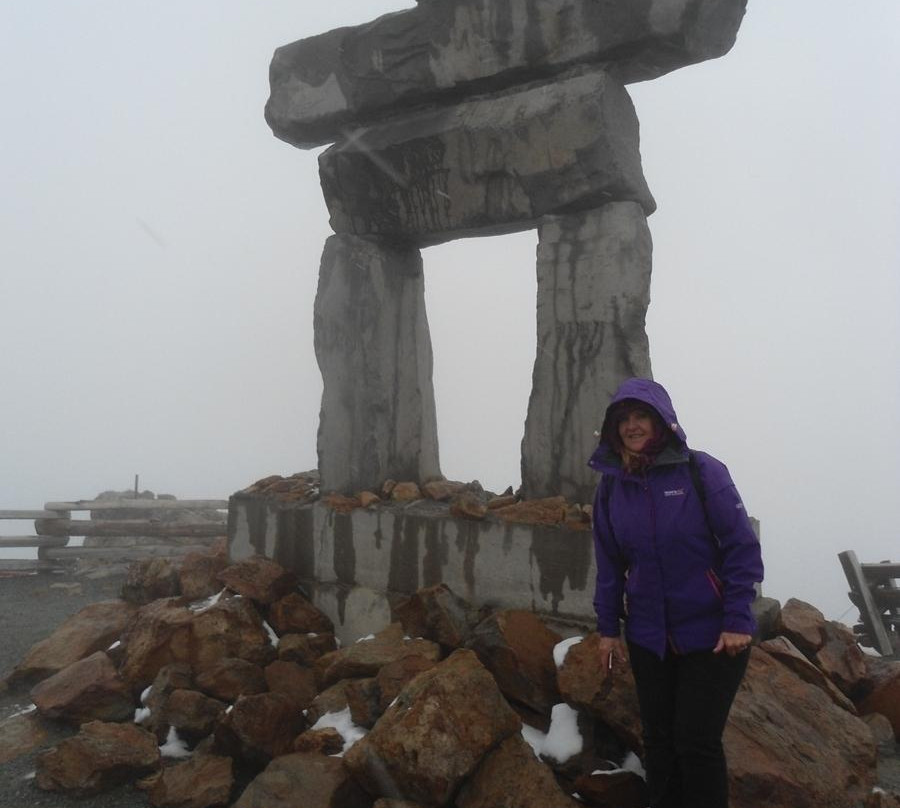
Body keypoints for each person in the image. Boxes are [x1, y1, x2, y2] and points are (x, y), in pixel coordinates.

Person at [588, 377, 763, 808]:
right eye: (623, 419)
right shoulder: (612, 488)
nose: (632, 426)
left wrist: (739, 618)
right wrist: (608, 629)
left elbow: (741, 547)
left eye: (641, 415)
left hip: (713, 634)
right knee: (660, 742)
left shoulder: (702, 472)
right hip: (649, 636)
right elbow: (610, 564)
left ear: (662, 420)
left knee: (695, 741)